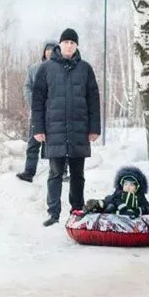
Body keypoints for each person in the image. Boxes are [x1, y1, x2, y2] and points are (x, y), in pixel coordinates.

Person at [32, 28, 101, 226]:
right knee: (55, 173)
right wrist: (38, 128)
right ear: (59, 45)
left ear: (77, 46)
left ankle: (77, 210)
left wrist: (94, 128)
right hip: (54, 130)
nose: (69, 45)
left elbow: (93, 99)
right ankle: (53, 213)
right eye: (66, 42)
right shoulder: (46, 68)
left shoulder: (85, 69)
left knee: (78, 174)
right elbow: (37, 100)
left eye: (73, 42)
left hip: (79, 128)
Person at [17, 41, 57, 183]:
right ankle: (29, 172)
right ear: (43, 52)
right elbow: (27, 87)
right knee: (33, 143)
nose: (50, 52)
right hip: (37, 114)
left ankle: (61, 172)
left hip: (55, 114)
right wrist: (34, 103)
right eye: (47, 49)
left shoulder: (60, 69)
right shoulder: (34, 68)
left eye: (53, 50)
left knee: (57, 145)